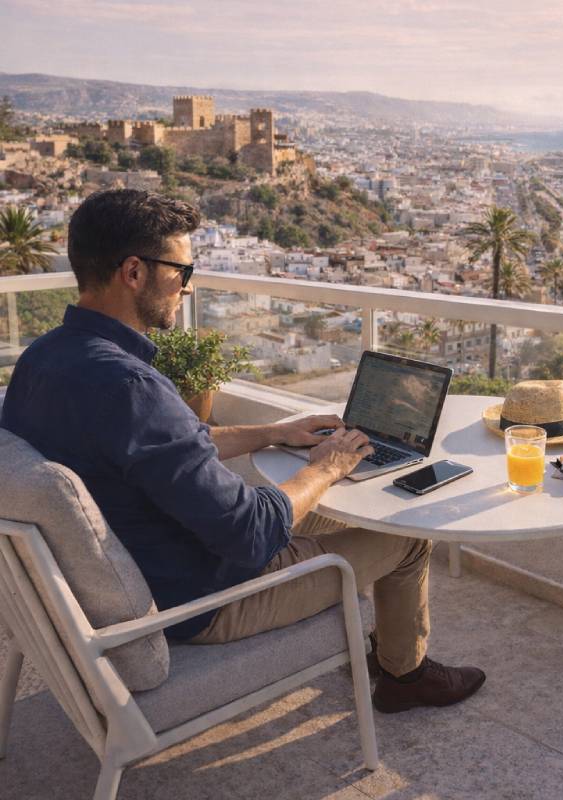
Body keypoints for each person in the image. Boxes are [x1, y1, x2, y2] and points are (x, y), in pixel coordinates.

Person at [0, 189, 485, 713]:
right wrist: (326, 468)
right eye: (182, 271)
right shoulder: (129, 386)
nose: (188, 286)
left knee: (330, 502)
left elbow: (165, 448)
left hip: (147, 561)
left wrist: (274, 432)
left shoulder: (44, 359)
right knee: (405, 536)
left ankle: (384, 646)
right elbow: (251, 535)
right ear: (134, 272)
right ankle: (405, 678)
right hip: (204, 598)